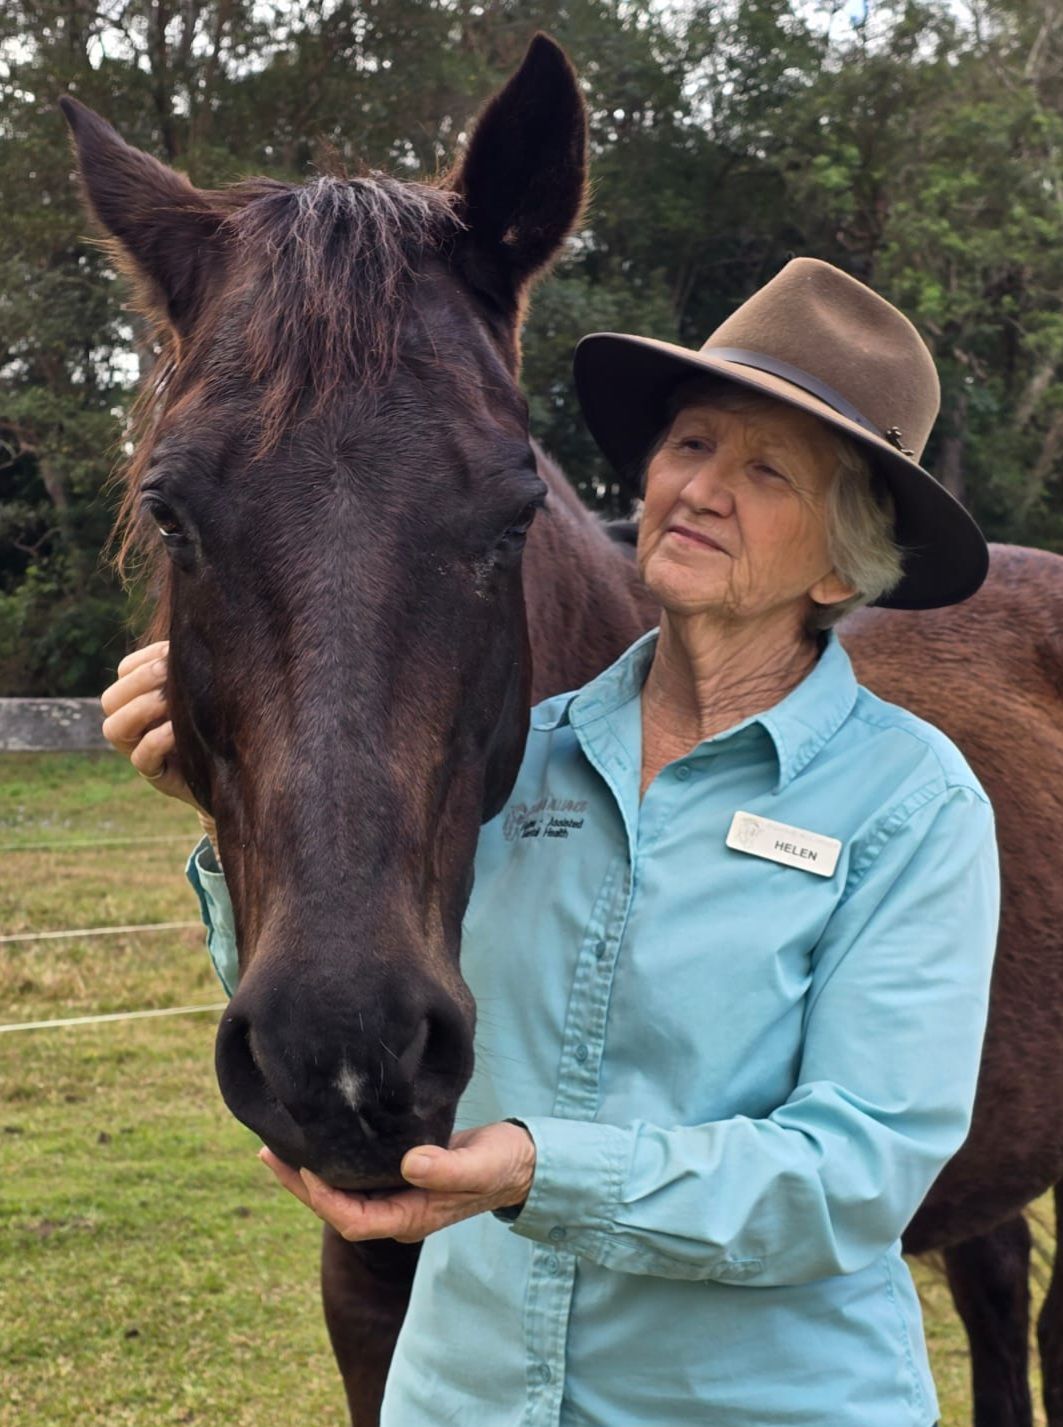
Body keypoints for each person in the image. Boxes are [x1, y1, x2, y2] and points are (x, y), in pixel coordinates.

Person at [102, 257, 997, 1426]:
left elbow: (854, 1177)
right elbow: (353, 1008)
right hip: (464, 1397)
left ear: (842, 562)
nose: (699, 488)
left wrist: (538, 1170)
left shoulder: (911, 804)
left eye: (766, 469)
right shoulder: (517, 756)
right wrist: (222, 822)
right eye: (689, 444)